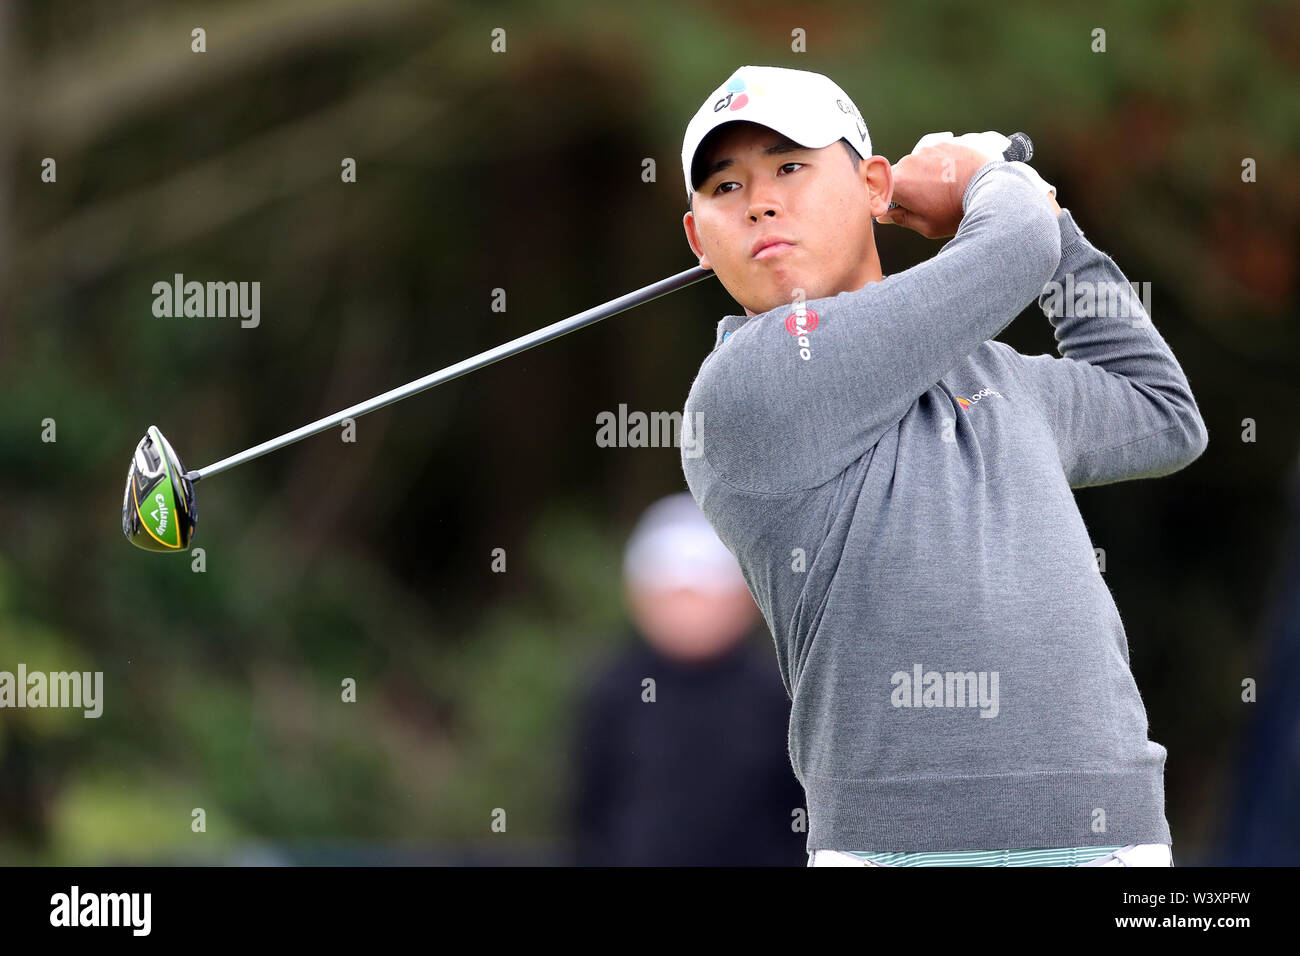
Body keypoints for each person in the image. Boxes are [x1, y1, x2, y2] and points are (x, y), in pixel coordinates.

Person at [676, 65, 1208, 866]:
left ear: (874, 188)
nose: (759, 201)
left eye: (790, 166)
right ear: (698, 237)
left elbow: (1164, 412)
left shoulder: (1000, 377)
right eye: (725, 187)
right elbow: (1012, 242)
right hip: (901, 851)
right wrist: (993, 176)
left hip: (1112, 836)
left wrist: (1055, 229)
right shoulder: (746, 389)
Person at [570, 493, 807, 866]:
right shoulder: (612, 690)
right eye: (674, 594)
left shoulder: (782, 692)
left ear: (746, 597)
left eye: (705, 593)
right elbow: (587, 812)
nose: (690, 612)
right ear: (638, 597)